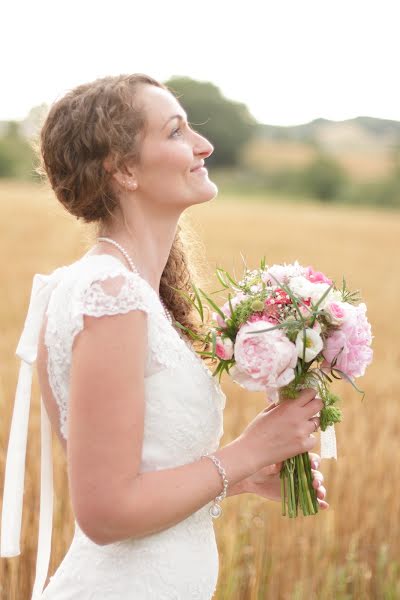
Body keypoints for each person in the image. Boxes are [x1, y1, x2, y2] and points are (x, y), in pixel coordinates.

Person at [0, 74, 328, 599]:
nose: (204, 144)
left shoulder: (122, 292)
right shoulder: (110, 295)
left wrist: (238, 479)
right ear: (124, 169)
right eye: (176, 132)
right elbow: (105, 513)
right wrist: (246, 452)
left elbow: (139, 476)